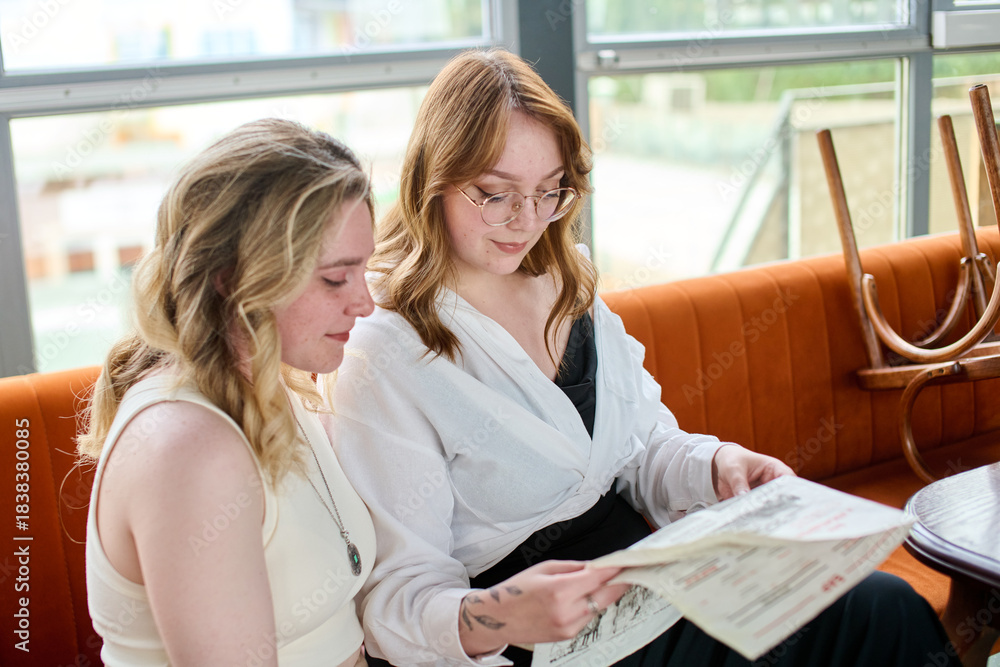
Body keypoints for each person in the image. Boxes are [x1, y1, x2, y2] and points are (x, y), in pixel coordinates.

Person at [324, 49, 960, 667]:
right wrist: (503, 615)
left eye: (550, 192)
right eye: (496, 193)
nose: (527, 220)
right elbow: (397, 601)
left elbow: (644, 448)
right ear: (434, 180)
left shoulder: (566, 284)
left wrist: (718, 466)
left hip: (650, 584)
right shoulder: (385, 347)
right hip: (540, 636)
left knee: (883, 606)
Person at [78, 118, 377, 666]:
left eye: (364, 270)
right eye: (336, 278)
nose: (365, 303)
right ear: (232, 279)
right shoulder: (188, 449)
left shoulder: (273, 385)